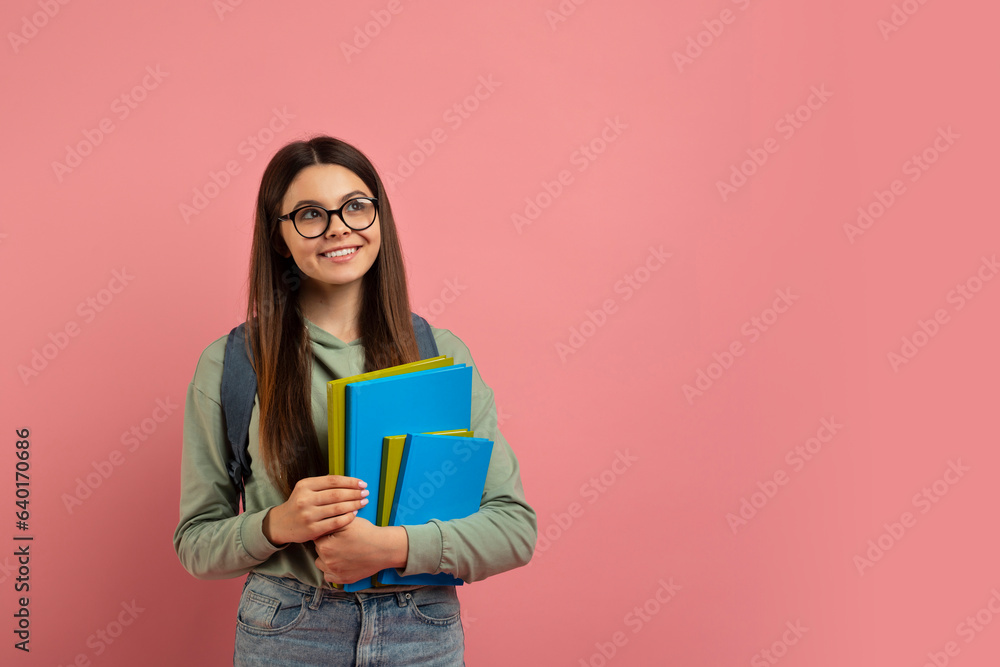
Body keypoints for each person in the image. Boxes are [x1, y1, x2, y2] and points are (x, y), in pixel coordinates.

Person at [173, 135, 536, 665]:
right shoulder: (233, 364)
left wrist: (393, 549)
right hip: (288, 631)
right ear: (279, 238)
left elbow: (513, 528)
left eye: (356, 206)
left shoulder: (441, 354)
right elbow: (196, 543)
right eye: (310, 214)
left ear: (380, 217)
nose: (340, 226)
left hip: (423, 630)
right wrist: (276, 524)